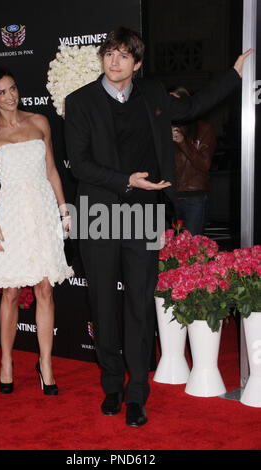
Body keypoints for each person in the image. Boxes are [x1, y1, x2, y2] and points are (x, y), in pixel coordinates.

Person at [64, 27, 251, 426]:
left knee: (138, 306)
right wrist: (125, 180)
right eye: (109, 53)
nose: (114, 61)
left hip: (143, 211)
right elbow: (78, 164)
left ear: (137, 63)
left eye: (123, 55)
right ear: (103, 58)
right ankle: (112, 385)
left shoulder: (151, 95)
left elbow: (194, 106)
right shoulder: (79, 102)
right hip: (99, 212)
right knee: (103, 303)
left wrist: (233, 75)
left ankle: (136, 394)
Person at [0, 66, 74, 395]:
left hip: (43, 209)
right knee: (11, 292)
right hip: (11, 212)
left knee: (45, 289)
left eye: (13, 88)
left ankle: (45, 364)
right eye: (2, 92)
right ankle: (6, 361)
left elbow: (53, 170)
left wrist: (63, 209)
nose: (10, 96)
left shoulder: (40, 122)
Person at [171, 86, 217, 235]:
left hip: (194, 197)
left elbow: (204, 164)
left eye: (175, 102)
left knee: (193, 250)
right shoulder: (164, 127)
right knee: (170, 251)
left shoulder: (203, 129)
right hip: (170, 198)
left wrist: (182, 142)